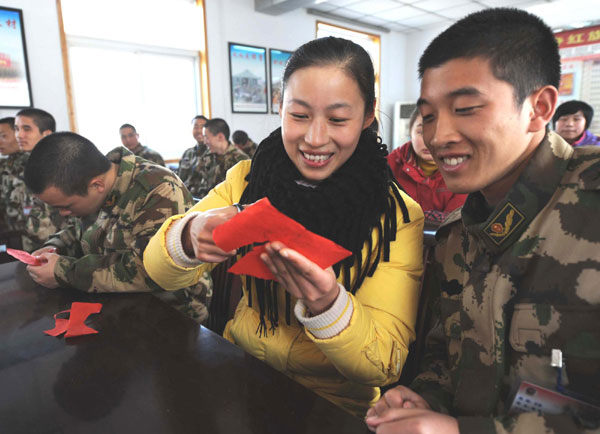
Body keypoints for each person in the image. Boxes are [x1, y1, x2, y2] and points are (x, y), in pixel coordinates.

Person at [143, 37, 424, 417]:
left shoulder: (396, 216)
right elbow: (158, 271)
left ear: (368, 116)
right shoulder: (246, 179)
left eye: (338, 119)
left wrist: (329, 304)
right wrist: (188, 239)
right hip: (239, 371)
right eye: (299, 115)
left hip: (332, 406)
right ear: (279, 107)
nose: (315, 138)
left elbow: (384, 364)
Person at [365, 8, 600, 434]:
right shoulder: (459, 236)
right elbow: (447, 356)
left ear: (539, 107)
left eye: (467, 108)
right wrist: (424, 396)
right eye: (430, 116)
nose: (439, 137)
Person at [23, 132, 212, 323]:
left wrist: (64, 271)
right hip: (117, 303)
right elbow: (81, 231)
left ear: (96, 185)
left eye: (67, 206)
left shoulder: (159, 190)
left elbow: (149, 271)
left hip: (171, 312)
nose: (63, 213)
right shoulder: (98, 184)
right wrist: (56, 247)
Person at [5, 108, 74, 251]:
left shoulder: (62, 164)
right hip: (32, 242)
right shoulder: (27, 163)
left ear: (46, 134)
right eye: (17, 129)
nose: (19, 135)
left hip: (61, 245)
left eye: (27, 129)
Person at [387, 108, 466, 224]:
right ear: (410, 132)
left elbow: (456, 223)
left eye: (439, 132)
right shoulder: (389, 165)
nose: (429, 140)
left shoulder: (465, 169)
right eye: (422, 132)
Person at [185, 118, 249, 199]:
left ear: (220, 137)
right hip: (202, 203)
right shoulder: (206, 156)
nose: (205, 142)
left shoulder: (240, 160)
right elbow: (192, 181)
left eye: (207, 137)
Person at [0, 117, 24, 232]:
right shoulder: (5, 166)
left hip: (40, 237)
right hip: (10, 234)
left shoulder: (36, 163)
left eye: (3, 136)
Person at [178, 115, 209, 194]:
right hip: (185, 197)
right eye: (196, 127)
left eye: (202, 127)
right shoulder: (188, 153)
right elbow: (179, 179)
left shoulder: (213, 153)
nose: (199, 131)